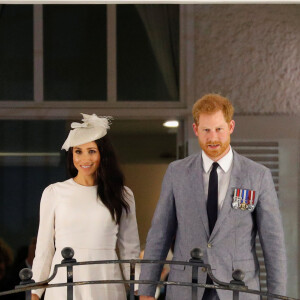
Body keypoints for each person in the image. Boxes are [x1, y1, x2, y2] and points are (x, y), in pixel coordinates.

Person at [138, 94, 287, 300]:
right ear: (196, 129)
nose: (213, 137)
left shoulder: (257, 175)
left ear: (231, 127)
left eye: (219, 129)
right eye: (206, 130)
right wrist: (146, 290)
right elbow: (160, 234)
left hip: (238, 288)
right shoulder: (177, 173)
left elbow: (273, 243)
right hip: (185, 288)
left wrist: (277, 296)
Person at [31, 113, 140, 300]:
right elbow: (44, 247)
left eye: (92, 151)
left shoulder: (123, 194)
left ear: (102, 154)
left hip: (106, 280)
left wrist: (138, 287)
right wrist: (35, 291)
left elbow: (129, 248)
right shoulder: (54, 192)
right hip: (63, 280)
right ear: (71, 154)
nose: (84, 159)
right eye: (78, 151)